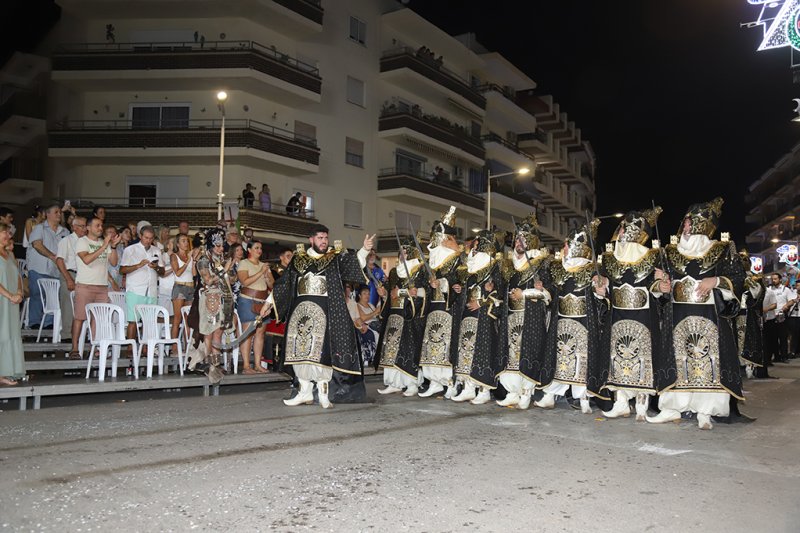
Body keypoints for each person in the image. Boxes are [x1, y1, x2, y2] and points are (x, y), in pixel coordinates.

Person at [647, 198, 746, 430]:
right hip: (677, 317)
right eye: (686, 223)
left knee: (708, 362)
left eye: (692, 224)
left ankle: (706, 411)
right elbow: (660, 286)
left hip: (710, 317)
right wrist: (660, 287)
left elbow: (739, 279)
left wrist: (717, 280)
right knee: (677, 362)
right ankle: (671, 408)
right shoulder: (669, 252)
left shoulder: (721, 250)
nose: (687, 228)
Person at [259, 225, 375, 408]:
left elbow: (352, 265)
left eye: (325, 238)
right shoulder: (298, 259)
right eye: (320, 237)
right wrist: (267, 303)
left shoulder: (335, 257)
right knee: (299, 352)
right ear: (311, 240)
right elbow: (283, 285)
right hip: (301, 314)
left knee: (322, 355)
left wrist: (365, 250)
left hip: (326, 313)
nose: (324, 241)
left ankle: (323, 395)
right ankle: (304, 392)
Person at [534, 219, 609, 414]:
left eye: (568, 244)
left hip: (584, 322)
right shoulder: (559, 269)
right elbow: (551, 293)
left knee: (581, 360)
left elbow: (602, 295)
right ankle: (550, 395)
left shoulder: (592, 270)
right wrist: (542, 290)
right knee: (558, 359)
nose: (564, 247)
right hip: (561, 321)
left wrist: (600, 286)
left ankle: (584, 398)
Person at [598, 207, 663, 421]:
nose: (624, 231)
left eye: (629, 227)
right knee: (618, 357)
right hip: (618, 316)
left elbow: (656, 287)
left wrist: (662, 284)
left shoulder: (652, 256)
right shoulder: (610, 258)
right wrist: (601, 286)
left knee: (643, 358)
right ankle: (621, 402)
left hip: (644, 316)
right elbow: (608, 285)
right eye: (623, 226)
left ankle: (642, 405)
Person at [496, 212, 554, 410]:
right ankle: (512, 392)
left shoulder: (542, 264)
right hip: (512, 317)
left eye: (524, 239)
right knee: (512, 355)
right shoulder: (509, 266)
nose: (519, 242)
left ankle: (526, 393)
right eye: (517, 239)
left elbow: (548, 294)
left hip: (532, 317)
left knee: (529, 353)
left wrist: (527, 293)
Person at [451, 230, 506, 404]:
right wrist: (461, 290)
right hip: (468, 315)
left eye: (476, 246)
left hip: (484, 316)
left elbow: (501, 295)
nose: (473, 249)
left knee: (483, 353)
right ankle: (468, 387)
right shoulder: (471, 270)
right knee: (466, 349)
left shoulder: (495, 268)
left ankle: (483, 390)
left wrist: (481, 303)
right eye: (473, 246)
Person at [418, 206, 464, 398]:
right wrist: (429, 284)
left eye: (438, 236)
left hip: (449, 308)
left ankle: (450, 383)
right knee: (432, 344)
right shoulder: (431, 261)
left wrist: (443, 283)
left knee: (447, 346)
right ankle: (435, 382)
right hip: (433, 308)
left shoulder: (456, 260)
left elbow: (459, 281)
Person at [375, 239, 427, 397]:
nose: (403, 255)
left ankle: (411, 384)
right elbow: (391, 293)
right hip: (394, 315)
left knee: (408, 350)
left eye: (406, 252)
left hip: (411, 316)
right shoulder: (393, 272)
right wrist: (384, 295)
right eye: (401, 252)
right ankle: (394, 383)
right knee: (391, 349)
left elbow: (424, 293)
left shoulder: (420, 270)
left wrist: (402, 293)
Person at [72, 216, 121, 359]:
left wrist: (112, 246)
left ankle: (96, 348)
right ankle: (75, 348)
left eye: (101, 226)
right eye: (97, 225)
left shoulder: (103, 243)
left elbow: (113, 262)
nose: (101, 228)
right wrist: (104, 246)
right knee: (80, 317)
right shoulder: (82, 241)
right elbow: (86, 259)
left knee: (99, 319)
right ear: (88, 227)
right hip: (85, 285)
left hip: (102, 287)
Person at [27, 204, 70, 330]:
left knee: (54, 297)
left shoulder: (65, 231)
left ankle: (49, 323)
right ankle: (34, 323)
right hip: (38, 267)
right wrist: (52, 256)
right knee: (37, 295)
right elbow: (37, 245)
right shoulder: (39, 228)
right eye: (56, 212)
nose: (59, 214)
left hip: (56, 270)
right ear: (47, 214)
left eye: (60, 212)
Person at [120, 225, 165, 342]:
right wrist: (138, 266)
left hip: (152, 291)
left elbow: (163, 271)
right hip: (135, 290)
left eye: (151, 238)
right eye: (146, 238)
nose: (148, 240)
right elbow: (122, 270)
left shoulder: (156, 250)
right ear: (140, 236)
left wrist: (156, 268)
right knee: (133, 321)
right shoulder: (130, 250)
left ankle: (146, 348)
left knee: (149, 322)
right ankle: (130, 348)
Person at [236, 241, 273, 373]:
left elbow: (272, 284)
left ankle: (257, 364)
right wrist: (260, 272)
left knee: (260, 333)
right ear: (249, 250)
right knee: (248, 333)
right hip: (248, 300)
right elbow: (244, 281)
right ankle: (246, 365)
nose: (259, 250)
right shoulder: (244, 263)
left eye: (261, 248)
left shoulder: (264, 265)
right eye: (256, 248)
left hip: (263, 302)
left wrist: (267, 276)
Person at [55, 215, 87, 342]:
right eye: (82, 226)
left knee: (82, 306)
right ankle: (67, 335)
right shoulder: (66, 240)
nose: (85, 229)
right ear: (74, 227)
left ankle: (81, 334)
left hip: (83, 276)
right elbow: (59, 260)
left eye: (86, 226)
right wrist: (68, 279)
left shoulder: (86, 241)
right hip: (69, 273)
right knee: (68, 305)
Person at [736, 251, 768, 378]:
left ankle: (749, 366)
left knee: (748, 341)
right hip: (735, 313)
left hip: (748, 314)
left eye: (745, 261)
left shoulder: (755, 279)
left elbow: (758, 295)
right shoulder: (733, 277)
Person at [0, 222, 24, 385]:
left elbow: (17, 276)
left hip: (12, 300)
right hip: (3, 298)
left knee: (9, 333)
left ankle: (6, 371)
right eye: (5, 233)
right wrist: (9, 295)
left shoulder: (9, 253)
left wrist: (19, 292)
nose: (9, 236)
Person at [170, 233, 199, 339]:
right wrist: (187, 261)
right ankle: (174, 346)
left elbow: (194, 274)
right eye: (183, 241)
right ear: (177, 244)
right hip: (180, 287)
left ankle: (187, 346)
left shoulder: (189, 256)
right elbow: (177, 273)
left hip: (190, 287)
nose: (186, 243)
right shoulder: (174, 256)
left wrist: (193, 260)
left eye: (187, 241)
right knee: (177, 318)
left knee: (188, 318)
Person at [764, 272, 792, 364]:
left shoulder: (786, 290)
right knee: (772, 338)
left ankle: (784, 356)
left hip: (781, 316)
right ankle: (776, 356)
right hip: (771, 317)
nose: (773, 280)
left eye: (775, 279)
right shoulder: (768, 289)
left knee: (783, 337)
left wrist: (786, 306)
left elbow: (791, 300)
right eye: (772, 279)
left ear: (780, 279)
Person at [355, 285, 382, 368]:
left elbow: (377, 315)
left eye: (368, 294)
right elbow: (362, 318)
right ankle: (373, 357)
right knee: (374, 334)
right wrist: (375, 312)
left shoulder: (371, 305)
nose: (367, 296)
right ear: (359, 295)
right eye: (364, 294)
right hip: (366, 325)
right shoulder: (357, 305)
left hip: (376, 324)